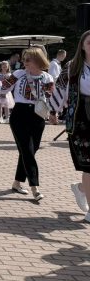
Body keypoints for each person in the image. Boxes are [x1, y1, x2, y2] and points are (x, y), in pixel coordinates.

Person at [0, 47, 54, 201]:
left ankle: (17, 183)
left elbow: (49, 97)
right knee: (27, 150)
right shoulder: (18, 74)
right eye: (24, 59)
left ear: (38, 60)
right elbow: (2, 91)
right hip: (19, 115)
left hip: (38, 115)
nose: (25, 62)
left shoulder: (47, 77)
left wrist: (53, 113)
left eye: (28, 60)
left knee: (30, 150)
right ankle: (35, 187)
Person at [49, 32, 90, 223]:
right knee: (89, 166)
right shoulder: (72, 66)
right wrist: (53, 111)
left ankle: (81, 189)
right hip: (81, 120)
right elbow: (60, 89)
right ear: (82, 45)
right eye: (89, 43)